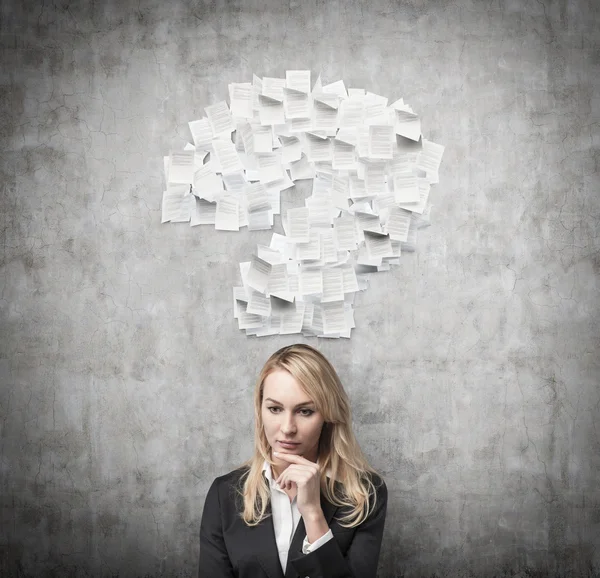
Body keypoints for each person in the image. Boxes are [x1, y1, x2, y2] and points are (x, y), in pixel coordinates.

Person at [198, 344, 387, 578]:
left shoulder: (365, 493)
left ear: (327, 416)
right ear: (260, 410)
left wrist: (312, 513)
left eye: (305, 411)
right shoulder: (224, 493)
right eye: (275, 409)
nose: (287, 428)